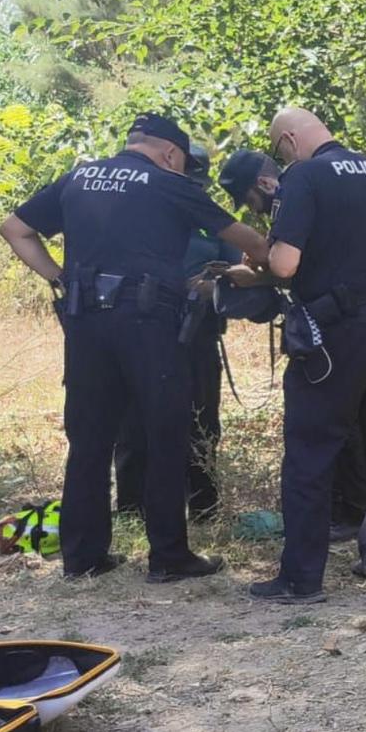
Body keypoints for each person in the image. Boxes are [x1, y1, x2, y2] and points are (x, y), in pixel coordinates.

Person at [0, 113, 269, 582]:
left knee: (89, 440)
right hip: (149, 324)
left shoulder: (78, 176)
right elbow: (253, 244)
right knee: (165, 433)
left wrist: (60, 279)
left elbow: (15, 229)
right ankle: (169, 557)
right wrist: (260, 263)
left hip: (85, 323)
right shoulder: (170, 183)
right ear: (171, 153)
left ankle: (82, 557)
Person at [247, 108, 366, 602]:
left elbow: (285, 263)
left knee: (311, 448)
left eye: (281, 152)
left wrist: (262, 257)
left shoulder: (303, 176)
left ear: (288, 139)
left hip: (339, 328)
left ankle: (300, 579)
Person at [218, 149, 366, 543]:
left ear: (265, 184)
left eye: (252, 201)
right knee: (349, 421)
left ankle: (348, 512)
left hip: (336, 322)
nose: (255, 211)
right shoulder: (326, 188)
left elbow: (289, 267)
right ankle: (352, 510)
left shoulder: (294, 195)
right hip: (359, 318)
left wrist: (256, 276)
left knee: (332, 422)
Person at [113, 140, 242, 523]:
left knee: (202, 419)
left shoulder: (211, 218)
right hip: (143, 328)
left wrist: (211, 285)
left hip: (198, 330)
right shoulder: (136, 213)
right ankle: (132, 508)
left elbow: (235, 270)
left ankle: (204, 506)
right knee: (133, 421)